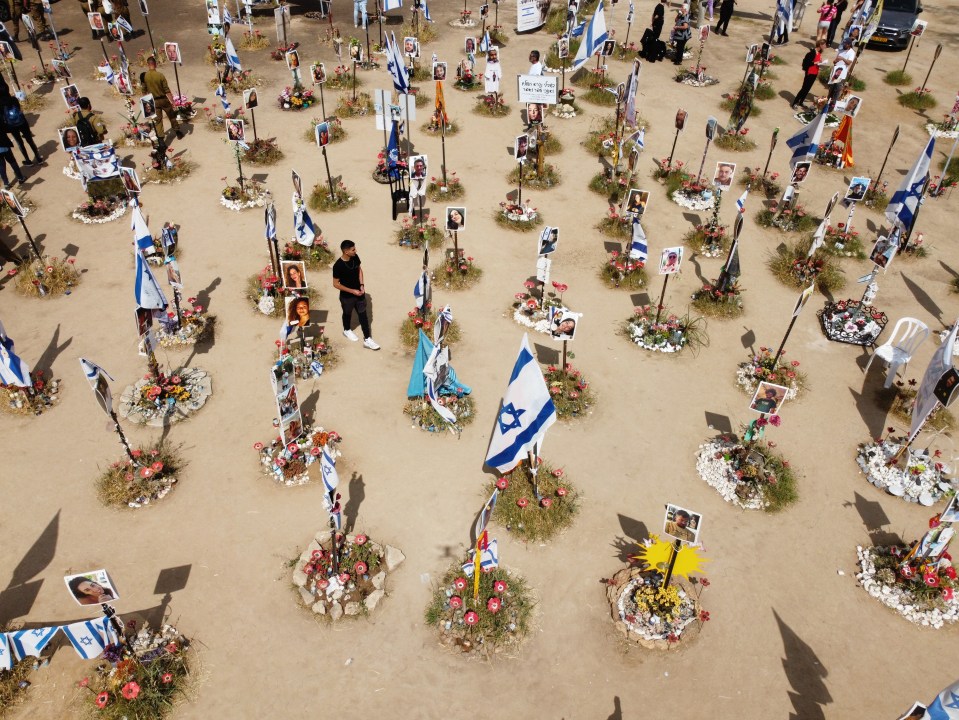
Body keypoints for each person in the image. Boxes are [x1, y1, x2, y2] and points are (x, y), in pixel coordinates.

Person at [332, 240, 380, 350]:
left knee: (363, 315)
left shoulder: (355, 257)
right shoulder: (338, 266)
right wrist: (352, 291)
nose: (356, 251)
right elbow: (335, 284)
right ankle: (347, 330)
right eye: (353, 249)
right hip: (347, 296)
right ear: (346, 251)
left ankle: (368, 339)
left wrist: (362, 285)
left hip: (359, 293)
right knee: (347, 313)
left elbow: (359, 270)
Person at [142, 55, 182, 138]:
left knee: (158, 120)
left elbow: (144, 90)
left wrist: (146, 104)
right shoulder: (160, 75)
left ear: (148, 64)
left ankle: (161, 139)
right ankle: (177, 131)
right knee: (171, 115)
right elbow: (167, 90)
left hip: (153, 101)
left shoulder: (145, 76)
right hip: (163, 99)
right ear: (155, 64)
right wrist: (173, 102)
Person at [0, 86, 40, 166]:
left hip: (12, 126)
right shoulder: (14, 99)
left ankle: (28, 161)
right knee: (29, 140)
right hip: (22, 122)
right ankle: (39, 158)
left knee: (20, 143)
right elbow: (18, 109)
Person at [792, 40, 825, 110]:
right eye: (824, 45)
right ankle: (795, 103)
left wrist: (821, 62)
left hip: (815, 73)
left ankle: (801, 102)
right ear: (820, 45)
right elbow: (808, 63)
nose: (825, 46)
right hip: (809, 73)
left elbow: (817, 62)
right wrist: (816, 62)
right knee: (804, 88)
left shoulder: (819, 53)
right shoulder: (812, 53)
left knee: (807, 89)